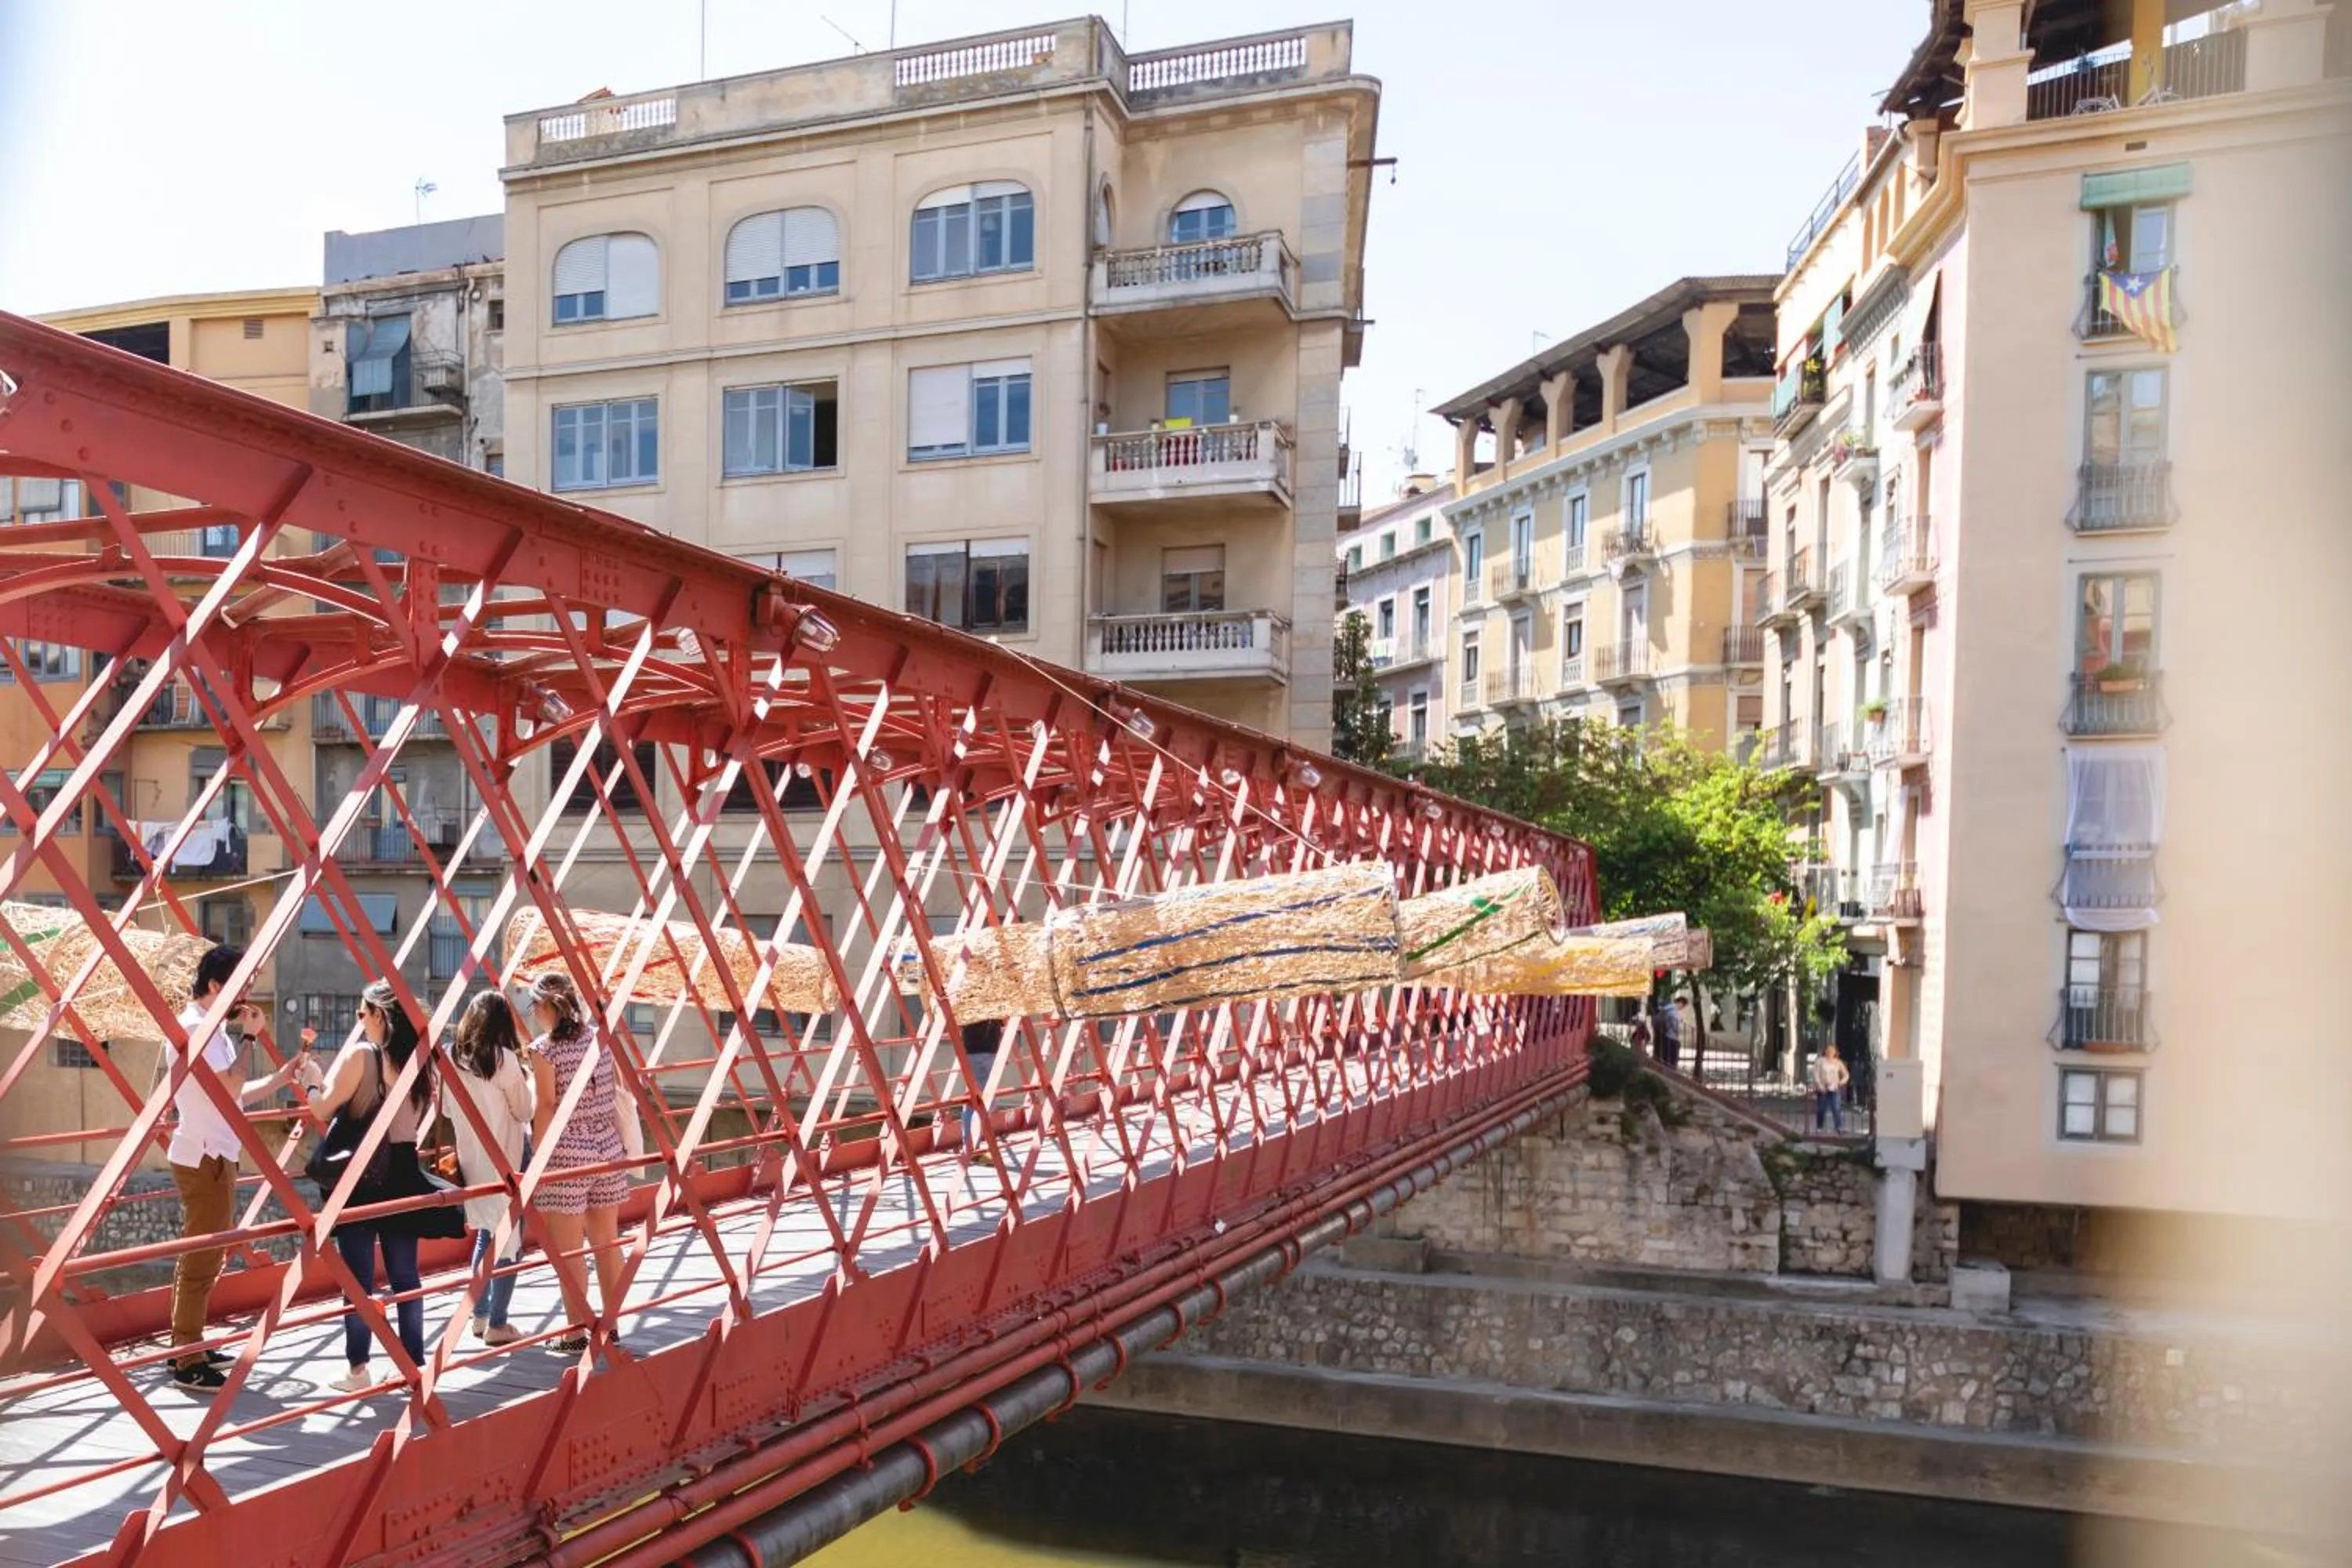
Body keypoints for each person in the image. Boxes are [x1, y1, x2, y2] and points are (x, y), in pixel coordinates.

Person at [164, 943, 310, 1391]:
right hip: (205, 1153)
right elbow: (230, 1089)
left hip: (211, 1151)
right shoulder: (197, 1030)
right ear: (214, 986)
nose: (247, 994)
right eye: (241, 985)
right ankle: (187, 1355)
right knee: (202, 1256)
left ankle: (187, 1346)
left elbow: (234, 1091)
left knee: (202, 1254)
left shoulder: (209, 1029)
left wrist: (281, 1078)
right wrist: (251, 1037)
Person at [300, 978, 437, 1393]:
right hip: (403, 1170)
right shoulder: (419, 1061)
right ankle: (413, 1364)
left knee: (358, 1280)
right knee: (405, 1276)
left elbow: (323, 1106)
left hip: (364, 1177)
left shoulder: (364, 1056)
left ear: (379, 1015)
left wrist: (310, 1080)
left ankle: (358, 1370)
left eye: (362, 1014)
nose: (360, 1022)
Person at [527, 972, 628, 1356]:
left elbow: (547, 1107)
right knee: (606, 1242)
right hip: (607, 1147)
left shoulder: (544, 1050)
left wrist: (539, 1159)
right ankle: (612, 1325)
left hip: (568, 1152)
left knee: (569, 1251)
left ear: (549, 1006)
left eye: (535, 1005)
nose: (533, 1013)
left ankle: (574, 1332)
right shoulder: (600, 1038)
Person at [441, 991, 536, 1348]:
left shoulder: (451, 1057)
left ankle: (480, 1316)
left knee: (485, 1230)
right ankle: (498, 1322)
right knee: (510, 1237)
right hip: (508, 1157)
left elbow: (449, 1112)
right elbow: (525, 1112)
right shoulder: (505, 1059)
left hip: (473, 1161)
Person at [959, 1018, 1004, 1154]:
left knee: (977, 1099)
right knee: (983, 1102)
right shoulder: (991, 1003)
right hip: (982, 1051)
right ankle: (971, 1146)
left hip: (977, 1050)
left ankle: (970, 1144)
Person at [1809, 1043, 1850, 1134]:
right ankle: (1819, 1127)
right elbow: (1815, 1074)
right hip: (1823, 1088)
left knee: (1836, 1108)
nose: (1830, 1052)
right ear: (1825, 1051)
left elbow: (1846, 1074)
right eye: (1828, 1050)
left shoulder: (1838, 1062)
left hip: (1834, 1088)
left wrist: (1841, 1082)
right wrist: (1819, 1085)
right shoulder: (1820, 1061)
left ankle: (1838, 1127)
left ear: (1835, 1052)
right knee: (1821, 1109)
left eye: (1832, 1050)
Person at [1652, 996, 1681, 1074]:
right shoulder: (1674, 1012)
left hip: (1664, 1035)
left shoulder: (1665, 1010)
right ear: (1680, 1003)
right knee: (1672, 1060)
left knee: (1665, 1058)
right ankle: (1670, 1074)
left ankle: (1664, 1072)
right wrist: (1678, 1031)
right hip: (1672, 1037)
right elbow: (1676, 1026)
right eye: (1683, 1005)